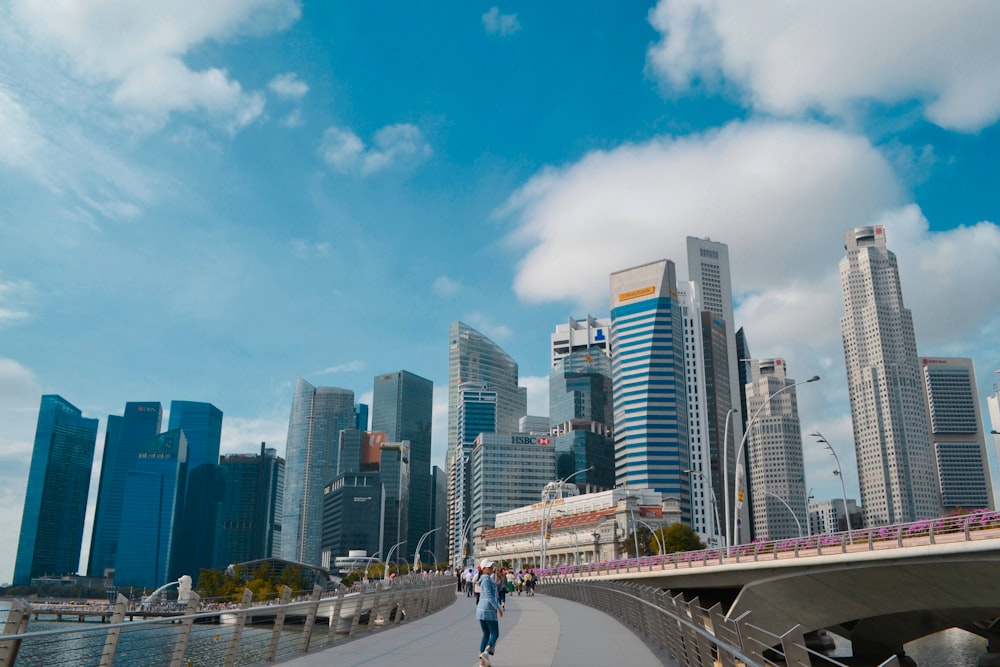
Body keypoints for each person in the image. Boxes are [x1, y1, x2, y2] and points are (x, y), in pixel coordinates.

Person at [475, 558, 502, 666]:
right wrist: (498, 608)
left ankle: (482, 662)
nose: (492, 568)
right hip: (488, 609)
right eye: (489, 567)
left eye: (491, 566)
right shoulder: (486, 579)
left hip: (481, 610)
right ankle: (485, 653)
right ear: (484, 569)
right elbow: (489, 595)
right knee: (495, 634)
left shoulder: (485, 578)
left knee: (486, 634)